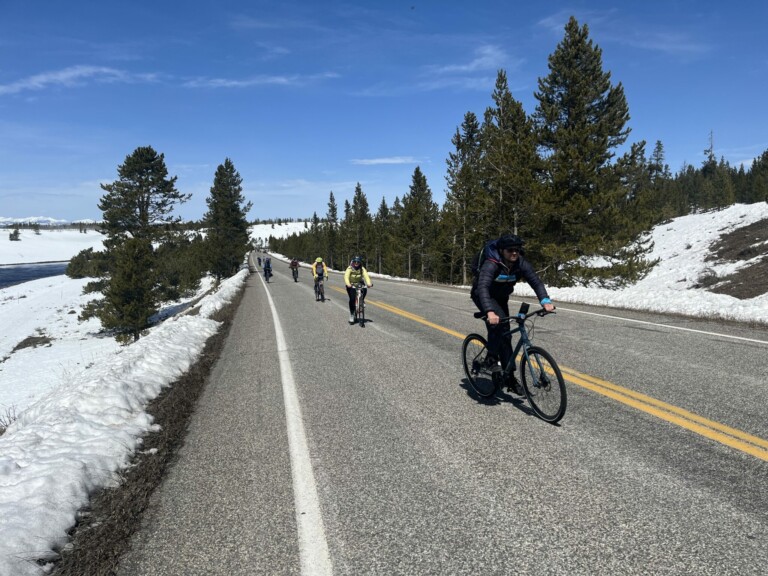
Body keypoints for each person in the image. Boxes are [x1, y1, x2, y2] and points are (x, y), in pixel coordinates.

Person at [470, 234, 555, 394]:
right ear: (502, 250)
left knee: (507, 335)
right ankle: (490, 359)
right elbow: (483, 287)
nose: (514, 253)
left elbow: (535, 281)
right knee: (499, 324)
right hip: (483, 295)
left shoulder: (520, 263)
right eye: (510, 250)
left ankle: (509, 378)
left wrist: (544, 300)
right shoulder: (491, 264)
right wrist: (489, 311)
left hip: (501, 297)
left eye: (517, 250)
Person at [344, 256, 373, 324]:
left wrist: (369, 283)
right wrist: (348, 284)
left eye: (358, 262)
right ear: (353, 262)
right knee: (352, 299)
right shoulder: (349, 268)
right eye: (355, 262)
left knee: (365, 288)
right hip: (351, 284)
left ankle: (362, 300)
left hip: (359, 283)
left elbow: (366, 276)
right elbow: (346, 276)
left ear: (360, 263)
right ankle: (352, 314)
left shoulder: (362, 269)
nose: (356, 263)